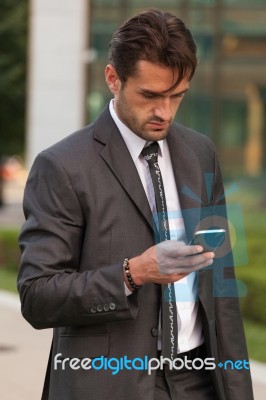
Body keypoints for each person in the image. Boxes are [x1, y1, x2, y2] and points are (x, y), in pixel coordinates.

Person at [18, 8, 253, 400]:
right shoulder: (62, 166)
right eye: (150, 95)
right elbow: (37, 297)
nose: (165, 112)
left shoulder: (201, 153)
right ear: (113, 78)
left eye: (177, 96)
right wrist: (133, 273)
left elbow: (221, 290)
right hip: (109, 384)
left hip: (199, 382)